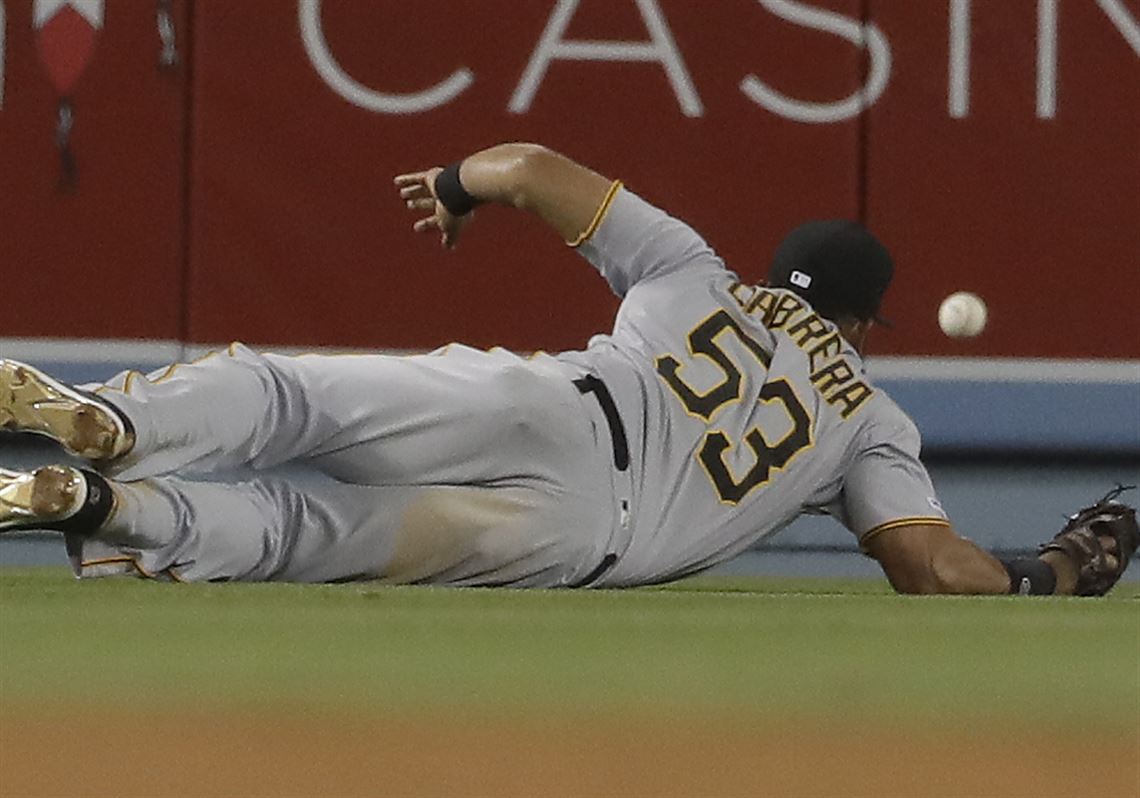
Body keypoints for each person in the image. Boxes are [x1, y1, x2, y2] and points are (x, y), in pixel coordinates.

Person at [0, 143, 1131, 593]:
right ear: (866, 323)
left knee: (298, 398)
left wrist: (455, 186)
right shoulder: (870, 420)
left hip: (559, 411)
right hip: (583, 542)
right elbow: (933, 569)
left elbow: (532, 166)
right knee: (307, 535)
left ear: (781, 278)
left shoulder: (698, 273)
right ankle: (120, 512)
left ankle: (109, 423)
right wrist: (1051, 573)